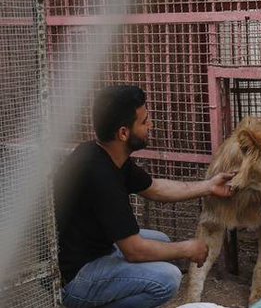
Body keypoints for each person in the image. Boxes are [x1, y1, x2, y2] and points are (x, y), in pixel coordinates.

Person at [53, 85, 235, 308]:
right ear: (123, 133)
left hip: (91, 251)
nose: (151, 125)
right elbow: (134, 250)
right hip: (74, 279)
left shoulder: (102, 153)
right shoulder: (101, 177)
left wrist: (209, 186)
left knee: (162, 242)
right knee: (167, 277)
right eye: (144, 121)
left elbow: (155, 188)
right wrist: (187, 248)